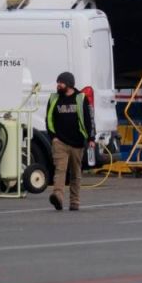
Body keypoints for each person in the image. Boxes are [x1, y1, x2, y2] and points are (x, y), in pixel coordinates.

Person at [46, 71, 94, 211]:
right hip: (60, 141)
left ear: (69, 84)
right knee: (60, 170)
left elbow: (89, 119)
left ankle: (75, 202)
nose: (58, 85)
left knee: (75, 173)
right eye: (58, 82)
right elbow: (49, 119)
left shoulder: (81, 98)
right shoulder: (54, 98)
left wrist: (91, 138)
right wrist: (53, 137)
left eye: (61, 82)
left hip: (78, 142)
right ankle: (58, 196)